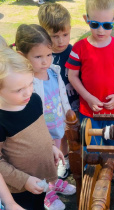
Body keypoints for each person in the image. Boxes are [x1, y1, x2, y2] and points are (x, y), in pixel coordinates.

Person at [66, 0, 114, 182]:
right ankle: (92, 168)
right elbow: (73, 76)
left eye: (107, 25)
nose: (100, 30)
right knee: (91, 143)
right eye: (95, 24)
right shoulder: (79, 47)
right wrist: (87, 97)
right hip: (89, 110)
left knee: (111, 141)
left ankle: (111, 165)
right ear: (87, 20)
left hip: (112, 110)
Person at [15, 24, 76, 210]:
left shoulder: (54, 72)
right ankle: (45, 194)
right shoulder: (26, 82)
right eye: (38, 57)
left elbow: (61, 95)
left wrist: (68, 114)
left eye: (48, 55)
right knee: (41, 164)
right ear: (22, 55)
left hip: (56, 127)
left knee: (53, 161)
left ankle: (53, 182)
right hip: (40, 134)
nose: (45, 61)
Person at [0, 46, 64, 210]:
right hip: (18, 189)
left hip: (40, 178)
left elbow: (41, 129)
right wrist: (24, 181)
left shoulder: (34, 100)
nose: (27, 92)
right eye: (19, 90)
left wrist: (51, 146)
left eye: (30, 83)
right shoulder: (2, 120)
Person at [38, 2, 77, 180]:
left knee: (71, 134)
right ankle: (60, 161)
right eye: (55, 36)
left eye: (65, 35)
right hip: (50, 106)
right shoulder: (41, 55)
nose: (61, 41)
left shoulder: (73, 52)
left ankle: (71, 159)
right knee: (56, 136)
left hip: (71, 104)